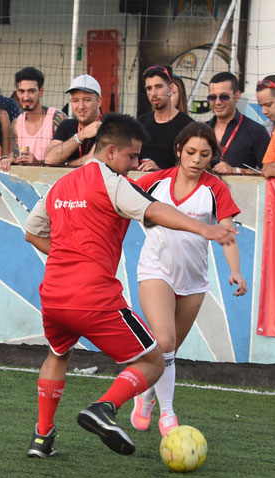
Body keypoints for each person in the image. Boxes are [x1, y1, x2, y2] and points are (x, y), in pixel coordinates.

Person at [21, 113, 237, 458]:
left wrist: (67, 255)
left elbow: (32, 231)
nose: (135, 164)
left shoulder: (60, 185)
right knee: (154, 359)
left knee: (57, 354)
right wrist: (205, 229)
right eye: (131, 156)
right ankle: (105, 407)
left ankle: (41, 437)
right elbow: (155, 210)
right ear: (110, 152)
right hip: (94, 297)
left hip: (54, 296)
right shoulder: (113, 183)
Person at [130, 122, 247, 436]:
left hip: (194, 281)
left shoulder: (216, 189)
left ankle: (147, 394)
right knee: (164, 340)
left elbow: (227, 234)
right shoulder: (154, 181)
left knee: (167, 353)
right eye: (191, 152)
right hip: (155, 271)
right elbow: (119, 203)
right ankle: (167, 414)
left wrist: (235, 271)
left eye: (205, 154)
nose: (197, 159)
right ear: (179, 150)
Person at [204, 71, 270, 174]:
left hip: (241, 189)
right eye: (212, 97)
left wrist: (236, 170)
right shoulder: (201, 130)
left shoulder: (256, 131)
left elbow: (268, 172)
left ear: (237, 96)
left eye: (224, 97)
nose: (217, 102)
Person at [137, 65, 193, 171]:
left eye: (158, 86)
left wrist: (159, 171)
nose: (153, 93)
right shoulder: (140, 123)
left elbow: (190, 169)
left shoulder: (188, 127)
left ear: (171, 88)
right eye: (149, 88)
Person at [45, 75, 103, 167]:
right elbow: (49, 159)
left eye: (87, 100)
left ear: (99, 101)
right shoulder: (67, 125)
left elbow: (93, 162)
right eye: (75, 101)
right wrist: (81, 135)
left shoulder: (109, 125)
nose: (81, 107)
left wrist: (67, 164)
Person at [11, 66, 65, 164]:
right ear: (17, 92)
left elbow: (64, 161)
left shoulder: (57, 119)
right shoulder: (17, 123)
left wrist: (38, 163)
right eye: (22, 91)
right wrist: (9, 160)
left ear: (41, 92)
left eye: (31, 91)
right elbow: (16, 157)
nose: (26, 97)